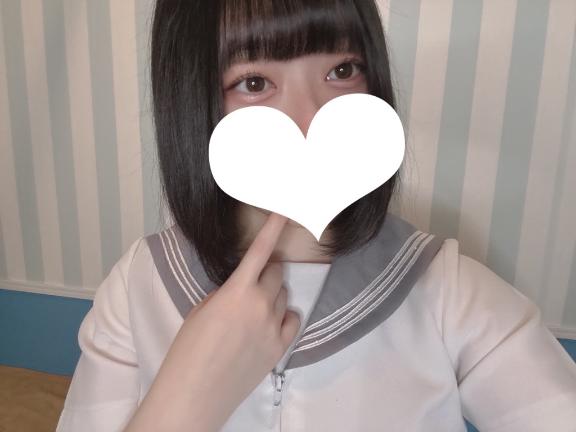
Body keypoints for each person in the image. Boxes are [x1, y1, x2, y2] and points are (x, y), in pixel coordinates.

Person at [56, 0, 576, 431]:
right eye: (254, 83)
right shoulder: (137, 285)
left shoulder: (448, 290)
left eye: (341, 71)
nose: (313, 120)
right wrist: (185, 401)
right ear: (193, 101)